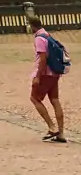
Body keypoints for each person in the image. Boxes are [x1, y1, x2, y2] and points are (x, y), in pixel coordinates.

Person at [28, 15, 67, 143]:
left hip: (45, 74)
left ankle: (52, 127)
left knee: (34, 98)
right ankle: (60, 133)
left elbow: (43, 59)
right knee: (55, 100)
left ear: (31, 25)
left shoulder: (39, 38)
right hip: (55, 73)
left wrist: (38, 77)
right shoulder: (47, 35)